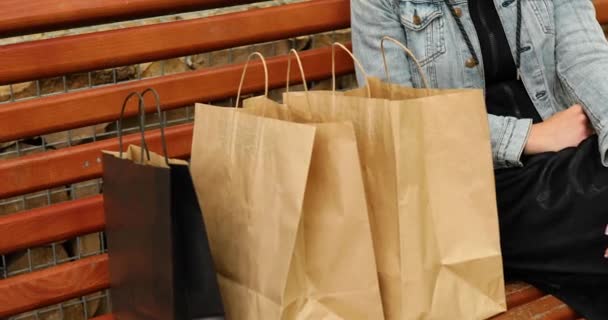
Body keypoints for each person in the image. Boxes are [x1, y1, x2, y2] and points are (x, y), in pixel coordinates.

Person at [351, 0, 608, 318]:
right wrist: (528, 137)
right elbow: (397, 116)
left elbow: (588, 59)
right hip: (471, 188)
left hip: (569, 161)